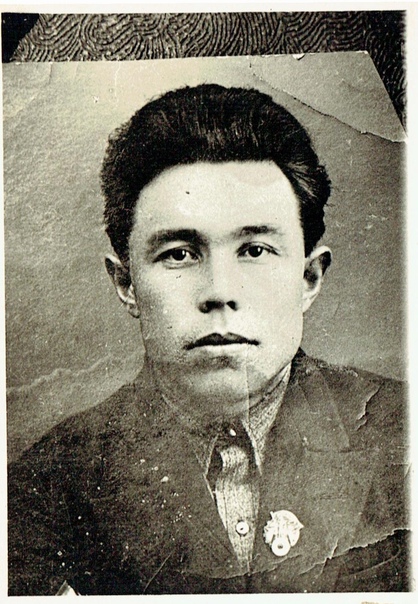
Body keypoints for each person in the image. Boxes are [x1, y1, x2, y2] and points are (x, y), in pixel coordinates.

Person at [8, 84, 410, 595]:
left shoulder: (405, 434)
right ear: (126, 283)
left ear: (309, 277)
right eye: (179, 254)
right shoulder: (41, 487)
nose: (220, 291)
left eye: (255, 250)